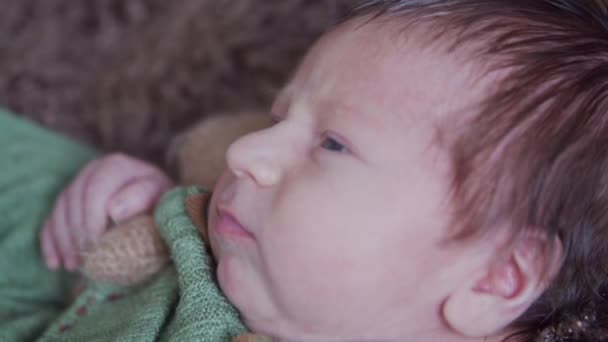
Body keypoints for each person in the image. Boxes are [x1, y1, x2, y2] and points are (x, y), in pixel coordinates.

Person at [37, 0, 608, 340]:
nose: (245, 153)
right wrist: (141, 206)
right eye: (277, 117)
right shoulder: (211, 238)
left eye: (333, 144)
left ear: (495, 277)